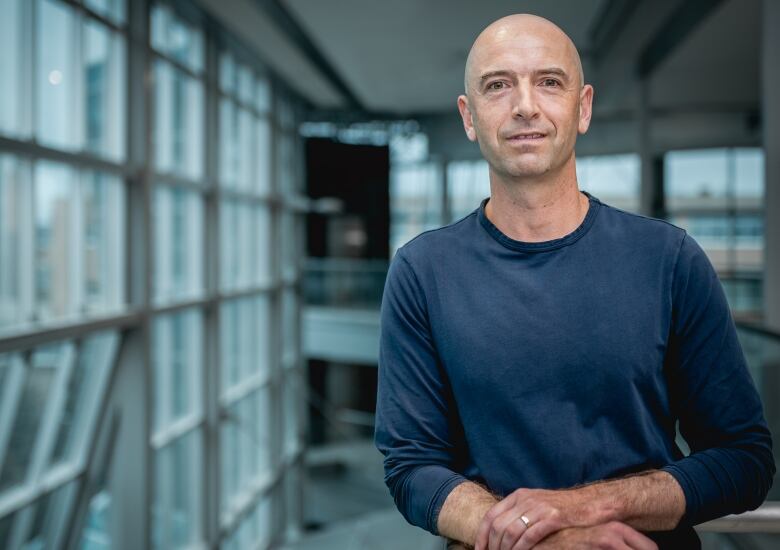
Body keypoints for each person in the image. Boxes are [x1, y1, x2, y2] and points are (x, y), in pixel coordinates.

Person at [374, 13, 774, 550]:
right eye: (498, 85)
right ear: (469, 117)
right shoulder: (422, 271)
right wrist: (546, 541)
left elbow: (743, 460)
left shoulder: (670, 259)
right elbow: (412, 467)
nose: (524, 106)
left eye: (548, 82)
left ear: (582, 107)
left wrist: (584, 505)